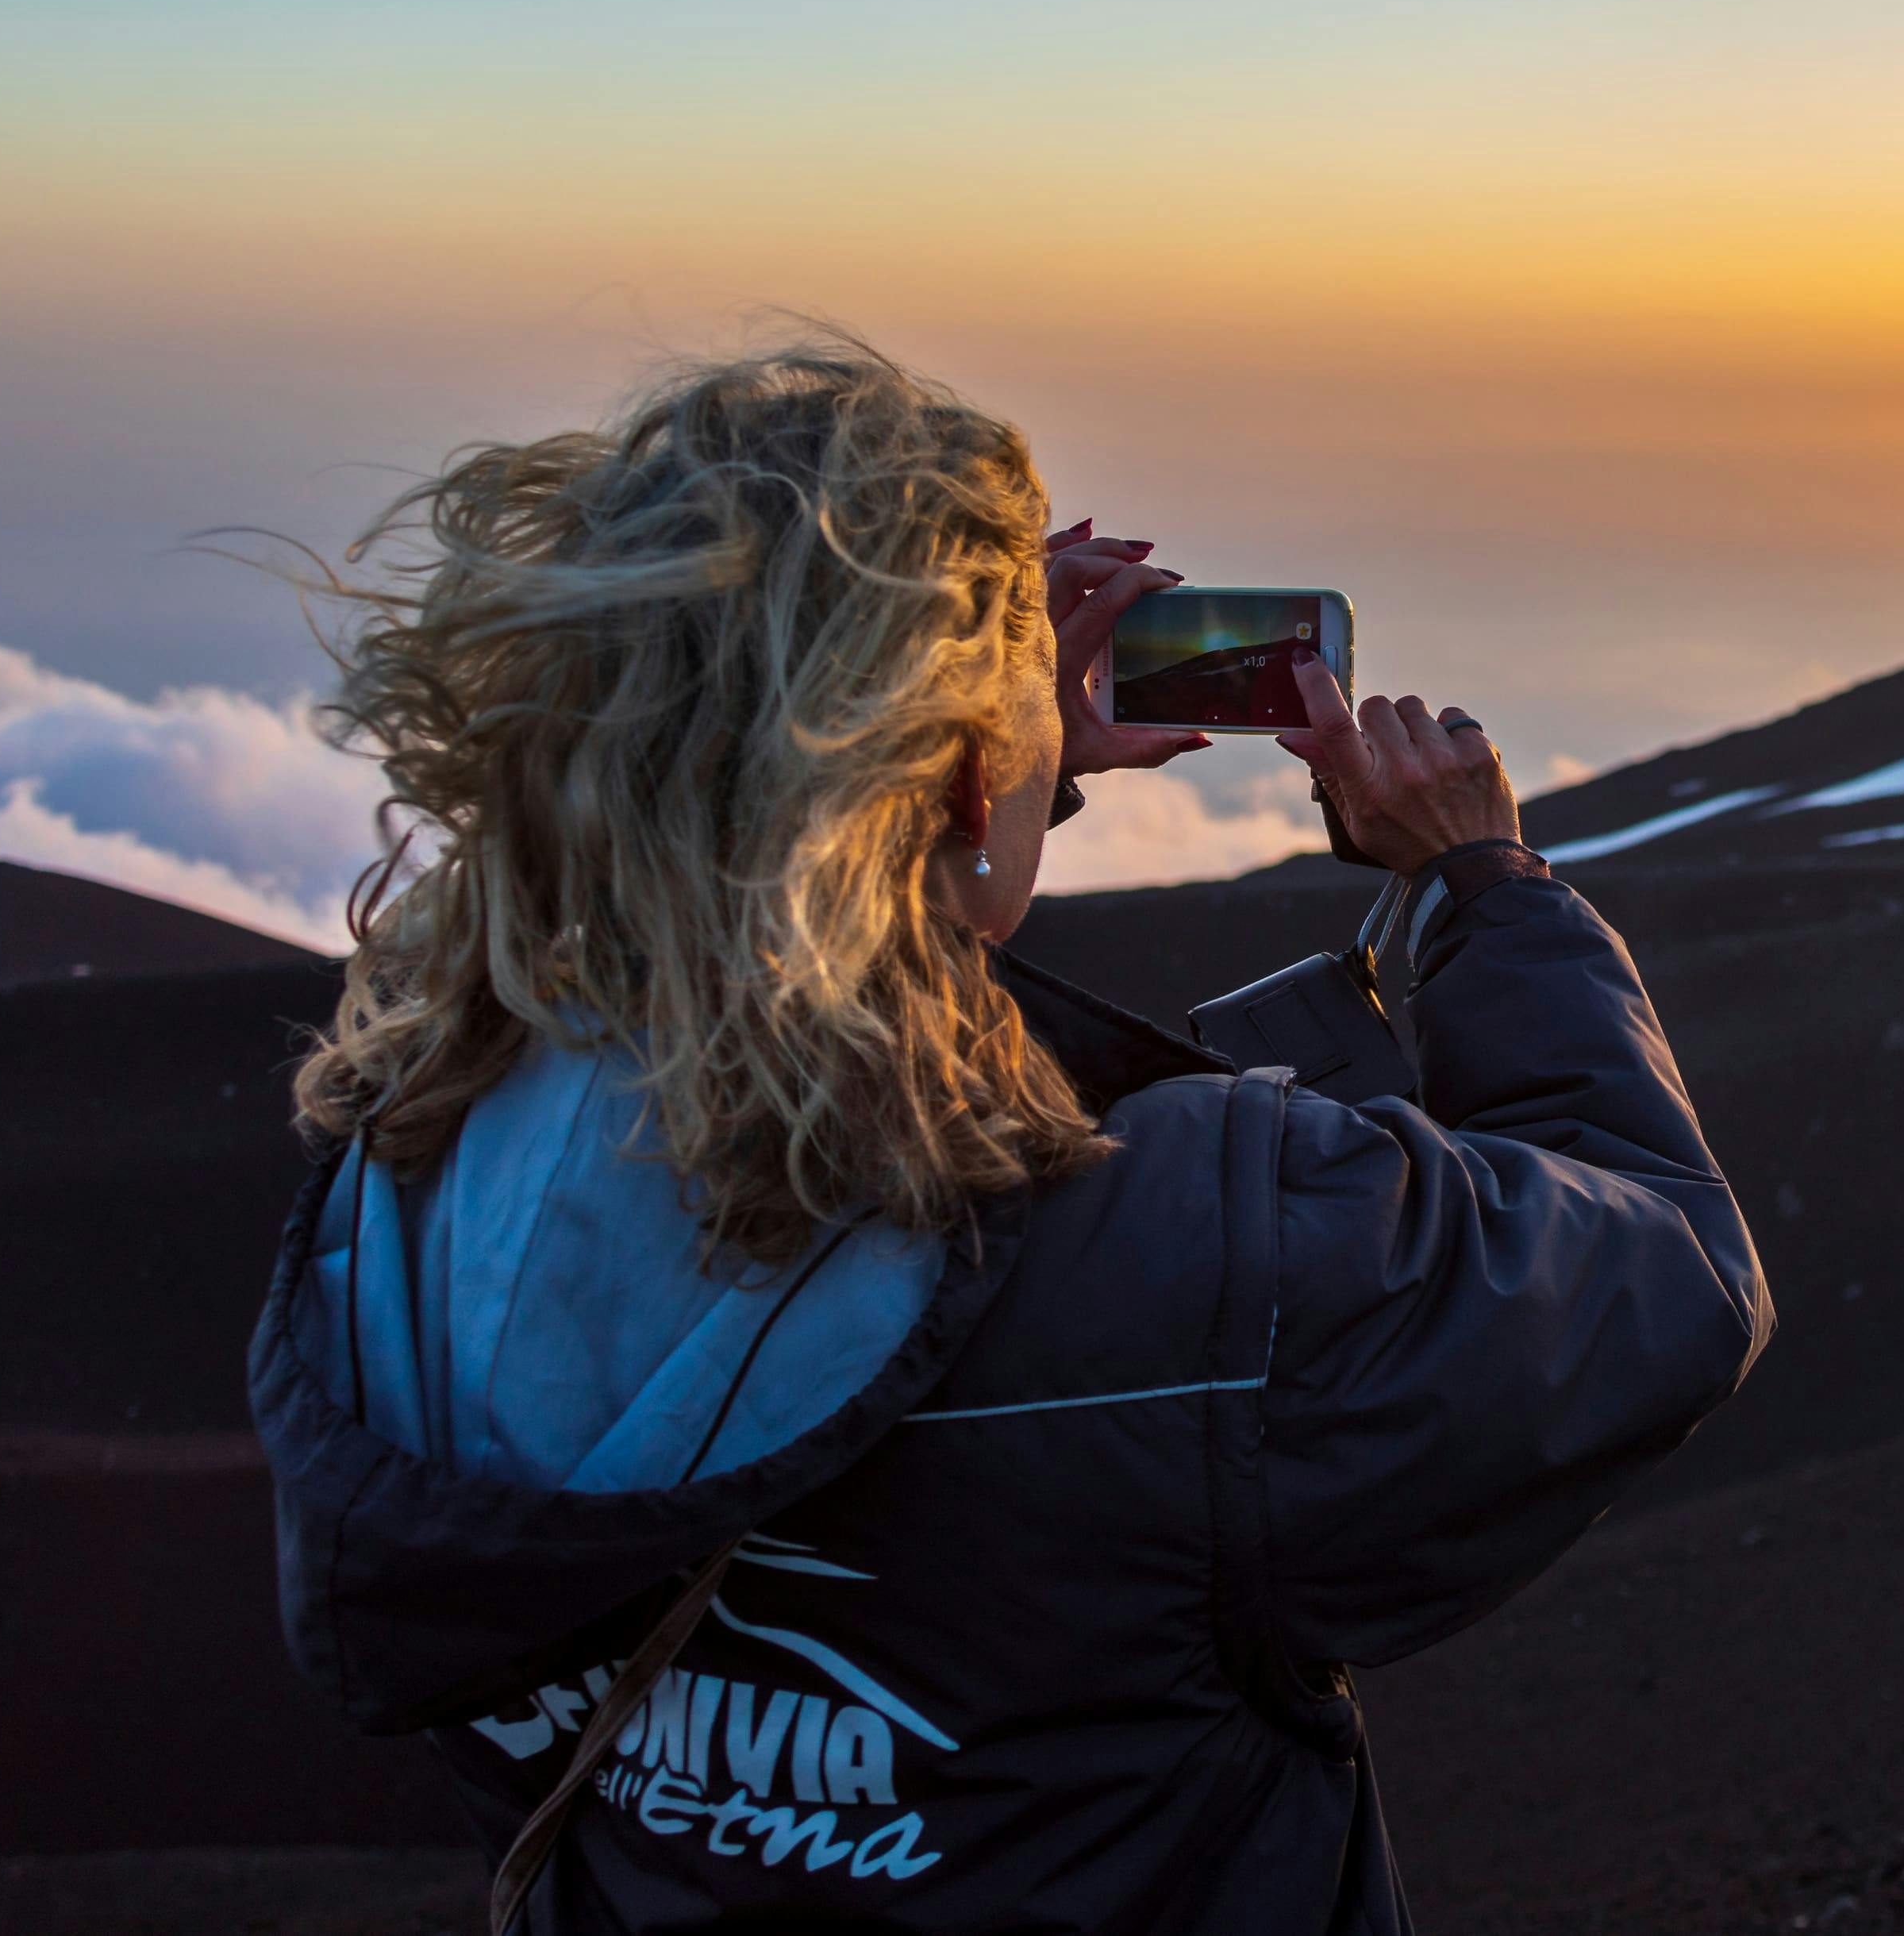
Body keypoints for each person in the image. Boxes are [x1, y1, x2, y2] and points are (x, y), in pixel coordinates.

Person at [246, 338, 1771, 1933]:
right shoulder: (1191, 1246)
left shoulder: (419, 1154)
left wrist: (963, 797)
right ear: (965, 778)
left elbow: (766, 1011)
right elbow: (1660, 1269)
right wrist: (1482, 890)